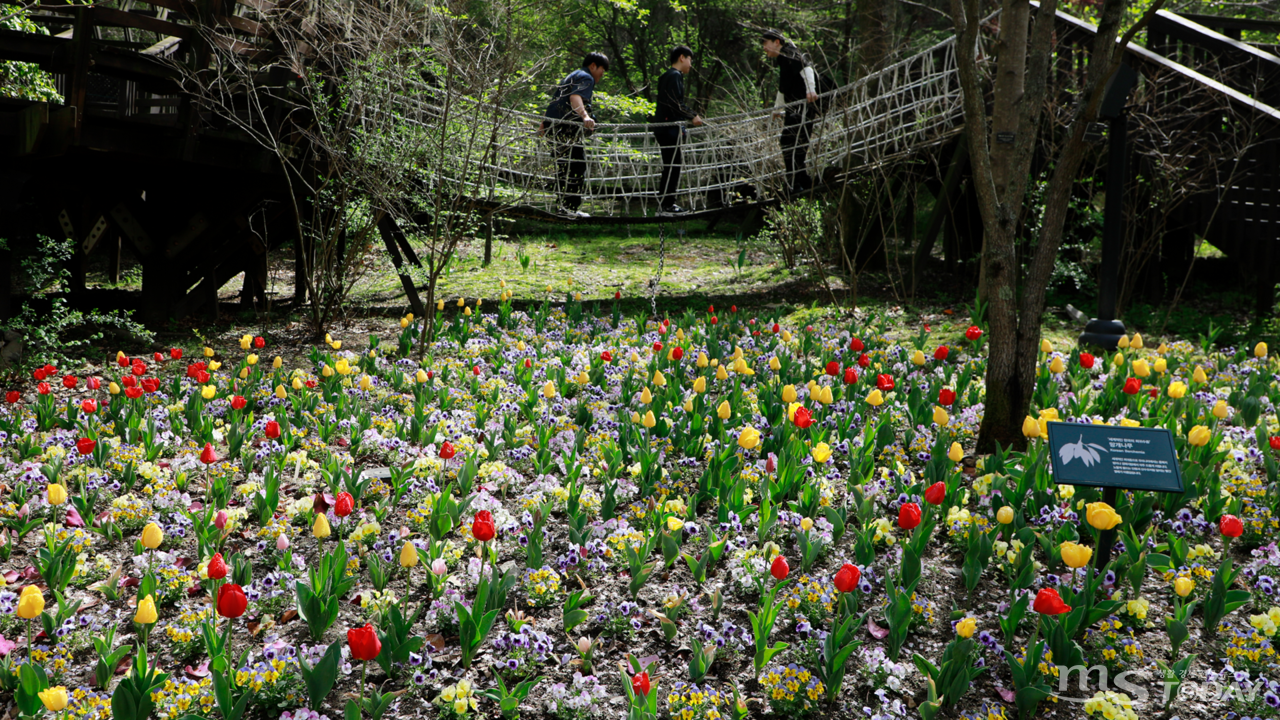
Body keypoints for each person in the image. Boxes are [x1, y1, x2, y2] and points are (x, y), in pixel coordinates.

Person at [541, 52, 609, 218]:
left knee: (565, 166)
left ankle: (563, 207)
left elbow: (556, 100)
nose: (603, 74)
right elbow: (575, 97)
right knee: (577, 165)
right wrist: (585, 116)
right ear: (593, 65)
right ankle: (570, 208)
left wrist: (544, 123)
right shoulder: (587, 77)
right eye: (602, 69)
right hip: (565, 128)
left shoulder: (571, 75)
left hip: (553, 126)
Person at [762, 30, 818, 196]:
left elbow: (807, 68)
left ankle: (795, 182)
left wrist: (811, 90)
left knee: (790, 141)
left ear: (777, 42)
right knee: (793, 142)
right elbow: (784, 87)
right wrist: (777, 109)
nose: (764, 48)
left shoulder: (790, 54)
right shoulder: (783, 58)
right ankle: (801, 179)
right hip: (795, 107)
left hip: (802, 106)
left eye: (766, 43)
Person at [652, 45, 704, 216]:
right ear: (682, 57)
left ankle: (665, 204)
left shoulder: (666, 76)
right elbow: (675, 103)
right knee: (673, 166)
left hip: (663, 127)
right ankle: (667, 205)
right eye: (690, 60)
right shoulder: (674, 76)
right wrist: (692, 115)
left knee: (670, 166)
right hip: (669, 128)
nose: (691, 64)